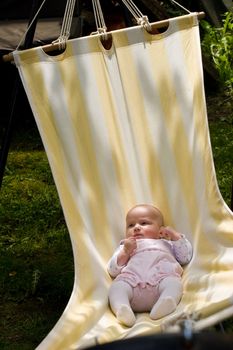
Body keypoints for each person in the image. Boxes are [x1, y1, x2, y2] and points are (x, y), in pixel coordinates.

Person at [107, 204, 193, 327]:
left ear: (160, 230)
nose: (136, 227)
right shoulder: (125, 246)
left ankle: (167, 301)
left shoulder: (167, 243)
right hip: (131, 284)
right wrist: (125, 252)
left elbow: (185, 257)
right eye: (131, 225)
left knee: (173, 283)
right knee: (117, 287)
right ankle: (122, 308)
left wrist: (174, 235)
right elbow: (112, 270)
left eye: (144, 223)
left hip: (161, 280)